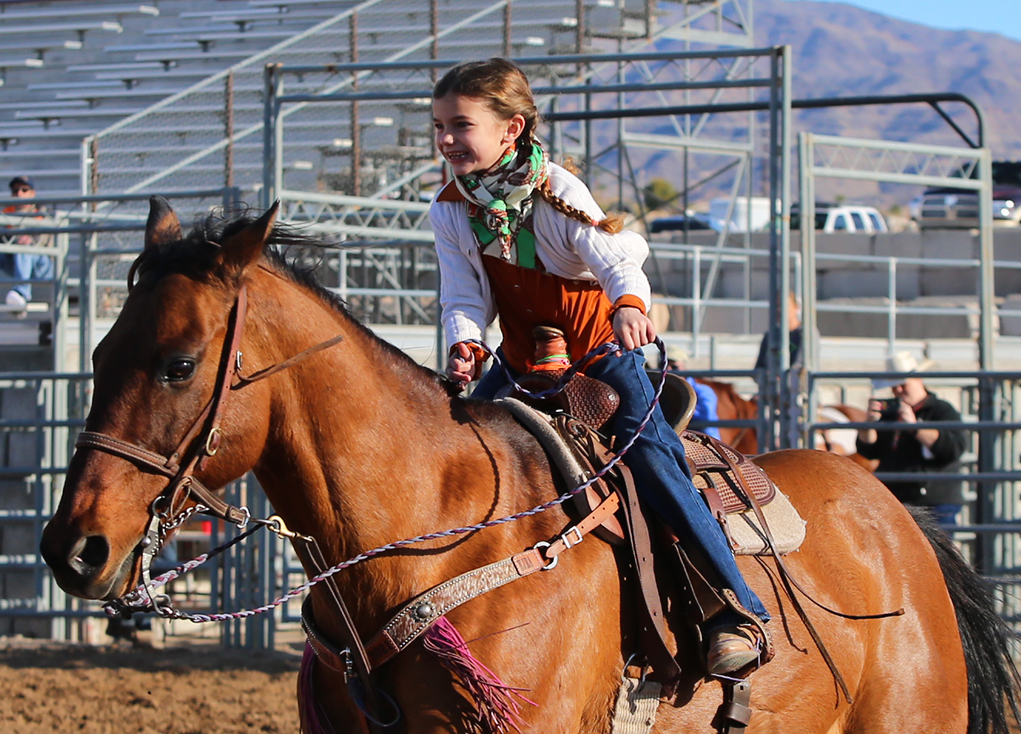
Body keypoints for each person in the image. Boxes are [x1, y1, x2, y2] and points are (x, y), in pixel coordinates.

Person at [430, 58, 769, 676]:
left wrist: (630, 306)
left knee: (651, 459)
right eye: (439, 127)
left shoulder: (558, 190)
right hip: (523, 363)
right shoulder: (451, 207)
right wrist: (466, 344)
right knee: (452, 445)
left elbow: (615, 261)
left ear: (511, 129)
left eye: (461, 125)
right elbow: (463, 296)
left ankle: (734, 609)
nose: (447, 140)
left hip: (598, 355)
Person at [856, 351, 967, 525]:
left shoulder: (942, 410)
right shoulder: (890, 413)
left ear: (919, 379)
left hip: (934, 500)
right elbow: (868, 450)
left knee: (935, 549)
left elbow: (953, 448)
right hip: (896, 500)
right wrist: (869, 423)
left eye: (902, 384)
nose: (898, 390)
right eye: (894, 386)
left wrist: (915, 428)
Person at [2, 175, 54, 310]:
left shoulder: (41, 213)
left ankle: (21, 293)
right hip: (15, 262)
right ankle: (17, 301)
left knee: (24, 247)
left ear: (32, 193)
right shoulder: (6, 214)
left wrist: (31, 239)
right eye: (15, 191)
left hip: (42, 265)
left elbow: (43, 238)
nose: (19, 194)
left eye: (24, 190)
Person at [666, 345, 721, 439]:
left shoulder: (703, 391)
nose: (668, 370)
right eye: (662, 365)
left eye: (674, 366)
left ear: (685, 368)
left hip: (704, 442)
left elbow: (705, 419)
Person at [754, 290, 805, 370]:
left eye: (784, 305)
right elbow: (758, 369)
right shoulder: (770, 335)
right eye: (776, 306)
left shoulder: (805, 334)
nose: (779, 310)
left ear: (796, 307)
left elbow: (799, 368)